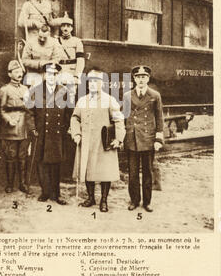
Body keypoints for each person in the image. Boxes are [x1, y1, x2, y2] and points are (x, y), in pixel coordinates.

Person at [70, 68, 125, 212]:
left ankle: (104, 200)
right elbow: (75, 117)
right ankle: (90, 198)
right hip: (86, 142)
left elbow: (119, 120)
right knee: (88, 171)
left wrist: (118, 139)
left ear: (102, 83)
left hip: (103, 142)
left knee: (104, 172)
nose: (93, 84)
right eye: (91, 81)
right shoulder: (83, 100)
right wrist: (76, 133)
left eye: (96, 81)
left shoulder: (109, 100)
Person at [27, 62, 71, 204]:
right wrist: (33, 128)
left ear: (58, 75)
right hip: (41, 133)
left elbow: (69, 113)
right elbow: (29, 112)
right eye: (49, 74)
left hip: (58, 134)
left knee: (56, 163)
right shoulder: (36, 90)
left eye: (55, 74)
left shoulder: (64, 91)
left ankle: (55, 194)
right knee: (42, 162)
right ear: (44, 75)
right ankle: (45, 192)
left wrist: (69, 128)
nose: (52, 77)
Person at [123, 65, 164, 213]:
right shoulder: (127, 95)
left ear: (148, 78)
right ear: (134, 79)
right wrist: (122, 137)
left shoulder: (155, 95)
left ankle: (147, 202)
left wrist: (158, 140)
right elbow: (124, 118)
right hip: (132, 138)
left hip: (148, 138)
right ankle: (134, 200)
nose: (141, 80)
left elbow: (159, 118)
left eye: (144, 77)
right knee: (132, 173)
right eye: (138, 77)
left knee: (148, 172)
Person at [0, 60, 31, 194]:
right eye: (16, 72)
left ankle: (22, 183)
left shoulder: (25, 89)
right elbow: (1, 110)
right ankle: (10, 184)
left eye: (20, 72)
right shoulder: (4, 90)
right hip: (11, 128)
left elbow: (29, 109)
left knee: (22, 156)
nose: (19, 74)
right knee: (11, 156)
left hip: (23, 127)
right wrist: (8, 120)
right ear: (9, 73)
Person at [58, 16, 85, 87]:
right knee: (58, 95)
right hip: (59, 71)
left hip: (72, 71)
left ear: (72, 28)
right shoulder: (56, 41)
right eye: (63, 26)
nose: (65, 28)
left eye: (68, 26)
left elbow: (80, 60)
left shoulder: (77, 41)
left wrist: (77, 75)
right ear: (61, 28)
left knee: (71, 94)